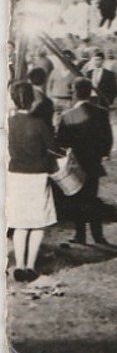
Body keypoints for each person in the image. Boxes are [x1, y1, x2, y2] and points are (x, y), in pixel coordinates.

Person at [8, 81, 58, 281]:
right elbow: (53, 149)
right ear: (32, 99)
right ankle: (30, 266)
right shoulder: (39, 123)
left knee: (20, 223)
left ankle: (19, 265)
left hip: (16, 175)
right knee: (37, 223)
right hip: (37, 175)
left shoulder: (9, 123)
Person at [56, 78, 114, 247]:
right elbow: (108, 139)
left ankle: (80, 235)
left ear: (75, 92)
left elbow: (61, 142)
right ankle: (98, 236)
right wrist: (103, 154)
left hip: (76, 163)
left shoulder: (67, 116)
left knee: (77, 199)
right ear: (90, 92)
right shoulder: (102, 112)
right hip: (94, 162)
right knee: (93, 198)